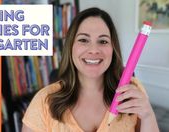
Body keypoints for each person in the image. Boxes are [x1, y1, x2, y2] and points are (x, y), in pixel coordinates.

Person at [22, 7, 159, 132]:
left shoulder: (133, 90)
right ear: (70, 47)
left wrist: (148, 115)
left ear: (113, 48)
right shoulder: (43, 100)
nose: (94, 50)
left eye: (103, 41)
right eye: (83, 40)